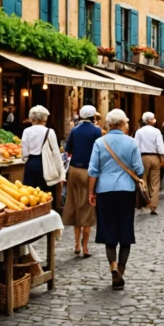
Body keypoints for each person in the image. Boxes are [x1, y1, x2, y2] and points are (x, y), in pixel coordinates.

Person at [88, 109, 143, 290]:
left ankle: (112, 266)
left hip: (105, 191)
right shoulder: (132, 142)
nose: (128, 126)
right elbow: (139, 168)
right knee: (125, 230)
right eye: (127, 123)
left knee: (108, 229)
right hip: (126, 191)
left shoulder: (99, 142)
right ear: (120, 124)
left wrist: (91, 193)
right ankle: (120, 269)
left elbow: (93, 171)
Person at [64, 105, 101, 258]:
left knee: (74, 203)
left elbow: (68, 149)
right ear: (93, 116)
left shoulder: (74, 130)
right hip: (88, 171)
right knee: (87, 206)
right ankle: (85, 247)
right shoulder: (96, 131)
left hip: (73, 170)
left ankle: (77, 245)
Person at [20, 105, 64, 192]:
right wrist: (61, 173)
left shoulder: (26, 131)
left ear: (32, 118)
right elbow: (55, 153)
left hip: (31, 164)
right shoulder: (49, 131)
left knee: (30, 193)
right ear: (44, 118)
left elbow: (24, 153)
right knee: (45, 194)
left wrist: (26, 160)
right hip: (45, 165)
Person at [134, 112, 164, 215]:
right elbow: (160, 146)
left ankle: (146, 202)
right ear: (150, 120)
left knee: (144, 180)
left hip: (143, 157)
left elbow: (136, 146)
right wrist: (162, 158)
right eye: (153, 118)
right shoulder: (156, 131)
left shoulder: (139, 132)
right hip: (155, 156)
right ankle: (153, 205)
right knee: (155, 181)